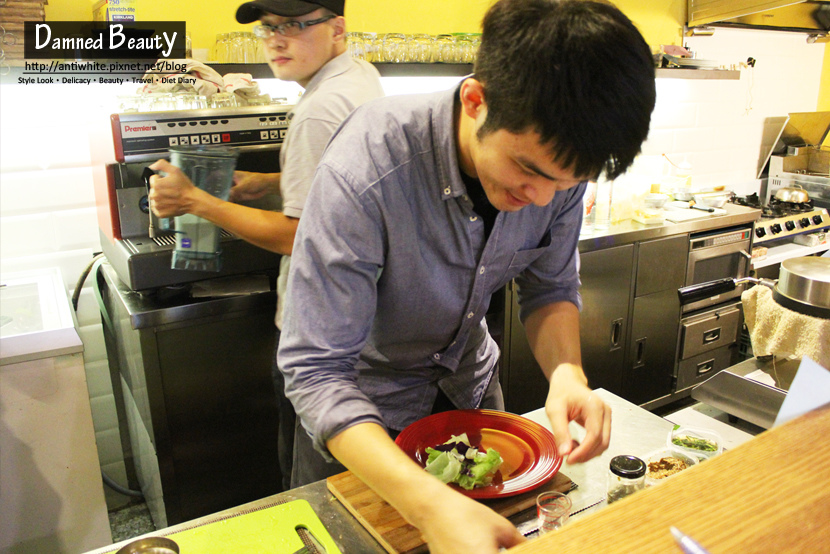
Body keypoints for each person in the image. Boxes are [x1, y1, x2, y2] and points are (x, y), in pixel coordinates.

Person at [280, 0, 655, 551]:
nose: (542, 199)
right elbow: (316, 372)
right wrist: (430, 507)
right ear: (475, 100)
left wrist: (567, 374)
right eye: (528, 171)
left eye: (567, 184)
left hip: (471, 395)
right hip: (363, 423)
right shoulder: (369, 166)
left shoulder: (559, 162)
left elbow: (549, 286)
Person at [148, 0, 384, 491]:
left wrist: (196, 200)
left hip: (320, 330)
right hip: (364, 319)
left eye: (296, 25)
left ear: (336, 28)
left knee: (314, 479)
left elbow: (302, 237)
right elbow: (343, 179)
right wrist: (267, 182)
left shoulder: (318, 109)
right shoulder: (359, 78)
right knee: (357, 480)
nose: (277, 39)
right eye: (269, 28)